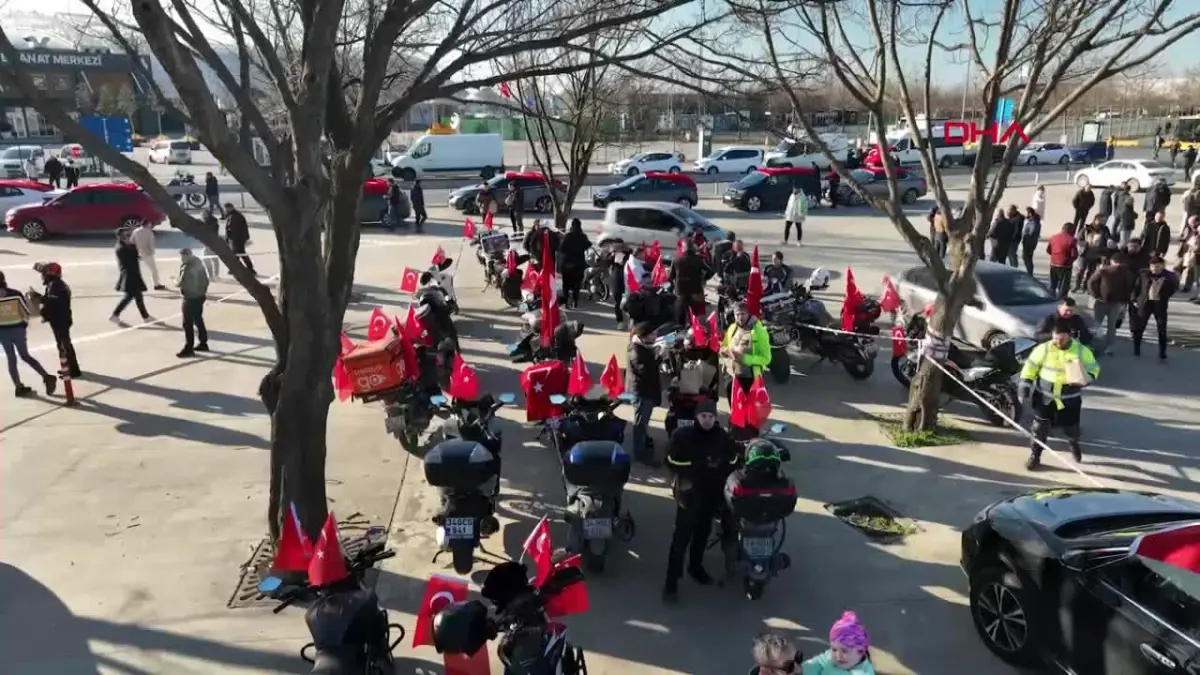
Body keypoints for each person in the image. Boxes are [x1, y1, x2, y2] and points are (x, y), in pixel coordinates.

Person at [662, 399, 740, 602]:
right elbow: (670, 460)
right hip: (689, 496)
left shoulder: (722, 437)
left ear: (716, 418)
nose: (707, 420)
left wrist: (720, 466)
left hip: (711, 496)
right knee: (680, 539)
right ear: (697, 416)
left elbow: (733, 460)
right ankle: (671, 583)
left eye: (711, 417)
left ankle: (696, 567)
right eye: (703, 416)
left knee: (702, 534)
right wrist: (697, 468)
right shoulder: (682, 436)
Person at [1018, 318, 1100, 470]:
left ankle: (1073, 443)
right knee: (1039, 428)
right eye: (1055, 338)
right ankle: (1035, 455)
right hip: (1045, 396)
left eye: (1061, 338)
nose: (1057, 342)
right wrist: (1025, 384)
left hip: (1069, 398)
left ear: (1069, 336)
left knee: (1071, 427)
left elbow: (1093, 369)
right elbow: (1031, 366)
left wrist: (1086, 379)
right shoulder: (1044, 348)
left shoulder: (1081, 351)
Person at [0, 271, 57, 397]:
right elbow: (26, 312)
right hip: (17, 330)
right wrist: (23, 325)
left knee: (11, 359)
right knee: (25, 356)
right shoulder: (14, 294)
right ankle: (46, 377)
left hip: (2, 332)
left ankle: (18, 386)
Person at [27, 262, 79, 378]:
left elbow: (51, 302)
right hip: (61, 319)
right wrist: (38, 297)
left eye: (44, 273)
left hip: (61, 320)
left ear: (50, 274)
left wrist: (38, 301)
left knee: (64, 345)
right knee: (62, 344)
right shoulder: (55, 284)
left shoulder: (55, 286)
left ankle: (73, 370)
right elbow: (50, 300)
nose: (42, 276)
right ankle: (69, 367)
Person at [626, 321, 661, 466]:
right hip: (642, 392)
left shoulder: (641, 346)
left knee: (643, 421)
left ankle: (644, 443)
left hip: (644, 391)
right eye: (653, 334)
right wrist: (659, 357)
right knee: (640, 424)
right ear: (644, 336)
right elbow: (646, 371)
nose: (656, 336)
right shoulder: (636, 351)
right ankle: (641, 455)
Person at [721, 301, 772, 400]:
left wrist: (745, 359)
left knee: (747, 411)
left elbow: (766, 359)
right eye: (737, 314)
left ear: (748, 314)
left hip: (749, 379)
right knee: (734, 409)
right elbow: (724, 345)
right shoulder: (732, 327)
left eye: (743, 314)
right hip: (730, 376)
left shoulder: (759, 331)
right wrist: (723, 350)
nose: (740, 317)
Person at [1130, 254, 1178, 359]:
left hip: (1160, 305)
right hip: (1145, 304)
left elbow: (1173, 289)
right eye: (1152, 266)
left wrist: (1164, 296)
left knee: (1161, 328)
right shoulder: (1144, 275)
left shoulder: (1169, 277)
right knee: (1140, 327)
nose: (1155, 269)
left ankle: (1162, 352)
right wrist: (1134, 299)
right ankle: (1136, 348)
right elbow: (1136, 287)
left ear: (1162, 266)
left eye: (1157, 266)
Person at [801, 612, 876, 675]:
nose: (838, 656)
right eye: (834, 649)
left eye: (844, 651)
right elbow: (816, 663)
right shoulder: (829, 657)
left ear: (861, 651)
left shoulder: (863, 673)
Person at [110, 229, 153, 325]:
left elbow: (136, 254)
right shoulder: (122, 248)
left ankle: (145, 317)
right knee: (130, 296)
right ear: (120, 237)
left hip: (132, 274)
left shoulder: (123, 246)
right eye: (126, 235)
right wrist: (133, 246)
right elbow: (135, 253)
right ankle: (115, 315)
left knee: (137, 296)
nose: (128, 237)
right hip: (130, 275)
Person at [176, 249, 210, 358]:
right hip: (199, 296)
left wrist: (174, 281)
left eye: (183, 257)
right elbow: (206, 280)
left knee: (187, 323)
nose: (182, 259)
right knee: (198, 319)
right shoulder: (199, 263)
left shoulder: (187, 267)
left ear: (188, 256)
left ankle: (188, 347)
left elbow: (181, 283)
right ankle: (203, 342)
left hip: (190, 297)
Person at [670, 240, 709, 323]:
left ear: (683, 248)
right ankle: (695, 328)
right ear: (693, 248)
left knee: (680, 311)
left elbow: (670, 276)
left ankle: (680, 327)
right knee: (696, 313)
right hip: (695, 290)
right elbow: (710, 271)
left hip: (680, 291)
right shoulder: (698, 259)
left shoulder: (676, 259)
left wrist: (674, 285)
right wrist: (703, 279)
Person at [1073, 215, 1114, 293]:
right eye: (1101, 220)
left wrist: (1109, 241)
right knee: (1081, 270)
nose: (1102, 222)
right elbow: (1078, 240)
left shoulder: (1105, 229)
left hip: (1096, 253)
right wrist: (1086, 243)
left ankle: (1086, 286)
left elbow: (1108, 238)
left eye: (1103, 221)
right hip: (1085, 252)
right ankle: (1077, 285)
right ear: (1095, 220)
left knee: (1091, 271)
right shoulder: (1086, 228)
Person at [558, 218, 591, 308]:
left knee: (566, 284)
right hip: (578, 264)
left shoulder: (568, 236)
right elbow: (588, 244)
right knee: (576, 285)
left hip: (567, 264)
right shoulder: (583, 236)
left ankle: (566, 303)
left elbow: (561, 248)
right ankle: (575, 301)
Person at [130, 219, 166, 291]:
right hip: (147, 253)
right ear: (146, 224)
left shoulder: (135, 231)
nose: (151, 225)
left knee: (136, 270)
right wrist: (152, 252)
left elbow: (132, 241)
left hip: (137, 253)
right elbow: (151, 244)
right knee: (154, 270)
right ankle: (156, 284)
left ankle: (134, 285)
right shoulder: (149, 233)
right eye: (149, 224)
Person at [1045, 222, 1078, 299]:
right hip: (1065, 265)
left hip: (1054, 264)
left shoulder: (1053, 237)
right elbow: (1074, 255)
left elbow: (1048, 250)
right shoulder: (1072, 239)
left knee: (1052, 284)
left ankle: (1050, 299)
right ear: (1072, 230)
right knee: (1063, 286)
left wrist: (1055, 256)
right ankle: (1061, 301)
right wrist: (1070, 261)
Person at [223, 204, 256, 275]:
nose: (225, 210)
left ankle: (250, 268)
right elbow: (228, 228)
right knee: (236, 254)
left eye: (226, 209)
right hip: (233, 239)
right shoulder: (230, 216)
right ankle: (235, 268)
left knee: (240, 253)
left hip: (238, 239)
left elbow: (243, 227)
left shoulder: (237, 216)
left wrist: (245, 237)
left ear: (230, 208)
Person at [1016, 207, 1041, 276]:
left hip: (1029, 241)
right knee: (1027, 257)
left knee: (1026, 257)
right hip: (1027, 240)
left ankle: (1030, 272)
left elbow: (1033, 232)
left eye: (1028, 212)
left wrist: (1026, 235)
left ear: (1030, 213)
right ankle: (1029, 271)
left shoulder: (1034, 222)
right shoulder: (1029, 220)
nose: (1026, 214)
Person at [610, 242, 629, 329]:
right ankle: (620, 321)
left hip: (627, 280)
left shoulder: (629, 255)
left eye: (619, 247)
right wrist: (611, 255)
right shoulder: (612, 255)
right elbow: (605, 263)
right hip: (617, 280)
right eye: (615, 247)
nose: (617, 249)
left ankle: (629, 320)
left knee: (628, 301)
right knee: (618, 301)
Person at [200, 208, 221, 280]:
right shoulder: (213, 222)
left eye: (202, 215)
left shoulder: (207, 223)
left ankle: (211, 275)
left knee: (206, 259)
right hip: (214, 243)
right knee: (214, 259)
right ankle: (216, 275)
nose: (202, 216)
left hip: (209, 243)